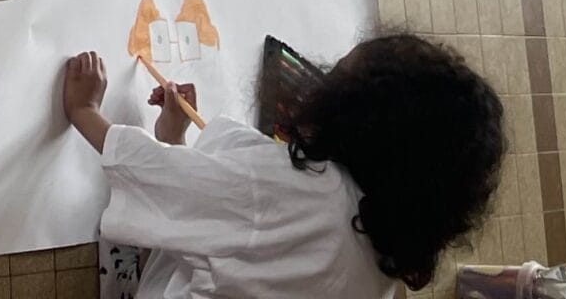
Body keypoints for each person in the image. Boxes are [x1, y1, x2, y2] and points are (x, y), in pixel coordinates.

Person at [59, 32, 507, 298]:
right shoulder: (382, 262)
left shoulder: (305, 190)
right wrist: (176, 138)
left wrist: (86, 112)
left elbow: (164, 181)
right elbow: (234, 241)